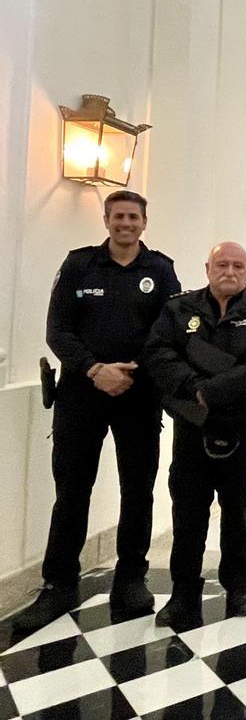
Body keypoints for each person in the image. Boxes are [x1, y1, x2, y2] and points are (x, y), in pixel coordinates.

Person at [14, 190, 180, 633]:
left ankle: (131, 580)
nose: (125, 223)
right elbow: (57, 330)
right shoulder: (78, 265)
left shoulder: (160, 270)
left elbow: (171, 333)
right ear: (105, 219)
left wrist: (130, 371)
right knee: (71, 490)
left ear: (144, 222)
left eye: (133, 217)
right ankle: (58, 584)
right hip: (80, 395)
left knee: (137, 489)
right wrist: (95, 369)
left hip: (139, 396)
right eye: (118, 216)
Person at [143, 242, 246, 630]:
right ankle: (183, 592)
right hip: (193, 425)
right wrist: (194, 387)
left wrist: (211, 390)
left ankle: (238, 587)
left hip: (241, 424)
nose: (230, 271)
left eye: (238, 265)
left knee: (237, 508)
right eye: (222, 264)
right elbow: (158, 353)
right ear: (207, 268)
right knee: (187, 511)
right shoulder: (179, 308)